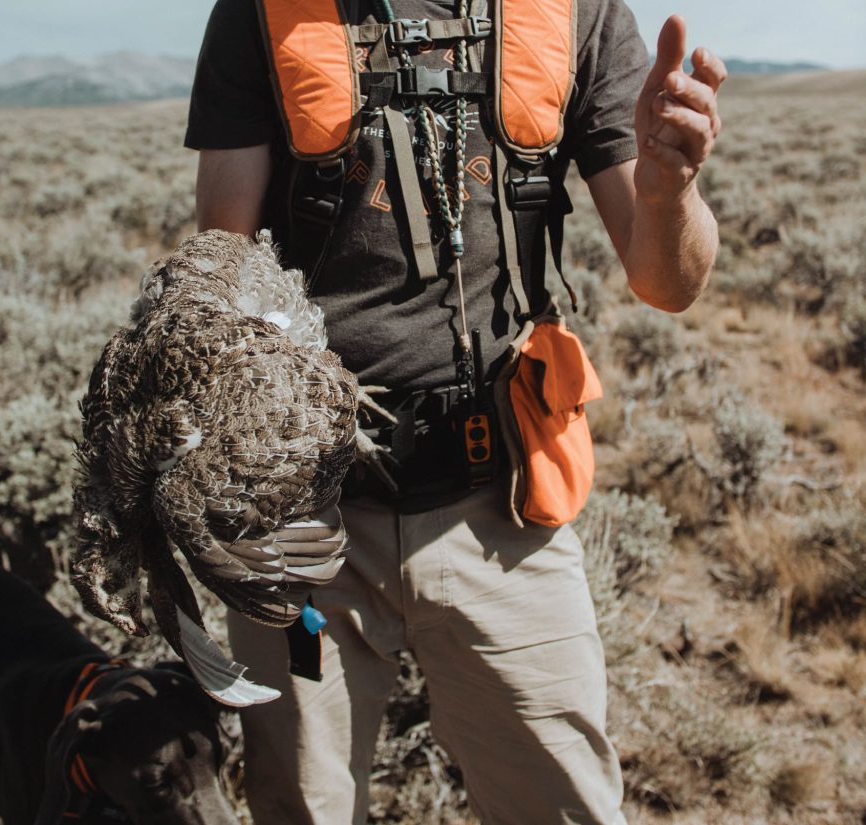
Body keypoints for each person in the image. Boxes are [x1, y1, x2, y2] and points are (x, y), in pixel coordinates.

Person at [185, 0, 725, 822]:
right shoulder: (264, 14)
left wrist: (667, 194)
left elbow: (666, 281)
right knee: (303, 799)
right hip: (302, 532)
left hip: (503, 509)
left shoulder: (575, 13)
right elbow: (220, 270)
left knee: (566, 803)